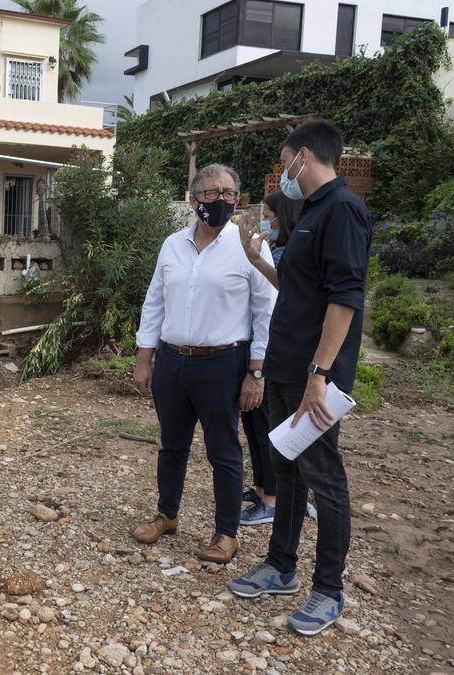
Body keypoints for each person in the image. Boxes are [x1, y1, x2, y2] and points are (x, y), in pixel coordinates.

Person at [227, 120, 372, 637]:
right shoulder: (309, 211)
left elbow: (345, 299)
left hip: (314, 374)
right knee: (285, 468)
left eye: (285, 159)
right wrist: (256, 261)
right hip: (287, 367)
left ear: (303, 156)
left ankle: (329, 590)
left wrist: (319, 373)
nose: (283, 171)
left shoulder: (344, 209)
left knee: (323, 478)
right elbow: (298, 284)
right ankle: (280, 567)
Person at [131, 164, 277, 565]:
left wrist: (256, 372)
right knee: (172, 445)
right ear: (193, 200)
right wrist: (144, 358)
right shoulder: (172, 245)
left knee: (224, 451)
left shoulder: (249, 247)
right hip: (173, 361)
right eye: (212, 193)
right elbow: (154, 301)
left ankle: (226, 534)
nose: (221, 200)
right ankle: (167, 515)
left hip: (223, 363)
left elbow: (266, 311)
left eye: (229, 193)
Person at [239, 191, 304, 527]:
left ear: (284, 214)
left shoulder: (289, 249)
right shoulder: (273, 245)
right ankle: (262, 485)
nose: (265, 219)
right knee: (252, 421)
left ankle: (272, 499)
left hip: (275, 348)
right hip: (259, 343)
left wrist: (259, 366)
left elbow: (275, 301)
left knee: (266, 423)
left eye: (268, 213)